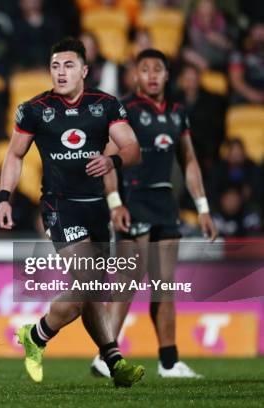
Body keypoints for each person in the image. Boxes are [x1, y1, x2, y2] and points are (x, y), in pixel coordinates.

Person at [0, 37, 144, 387]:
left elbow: (133, 148)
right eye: (55, 66)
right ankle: (107, 356)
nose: (61, 73)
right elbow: (14, 155)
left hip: (96, 210)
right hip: (59, 208)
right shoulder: (35, 109)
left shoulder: (105, 105)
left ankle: (50, 338)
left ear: (85, 70)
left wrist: (112, 160)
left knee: (91, 291)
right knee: (89, 284)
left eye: (69, 65)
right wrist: (5, 197)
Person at [90, 49, 217, 379]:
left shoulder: (178, 112)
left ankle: (170, 361)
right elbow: (108, 158)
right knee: (127, 281)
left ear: (166, 75)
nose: (151, 75)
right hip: (133, 202)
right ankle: (106, 355)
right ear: (135, 76)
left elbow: (189, 161)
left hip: (165, 203)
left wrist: (203, 208)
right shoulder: (126, 110)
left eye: (157, 69)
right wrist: (116, 202)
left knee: (164, 286)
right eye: (144, 69)